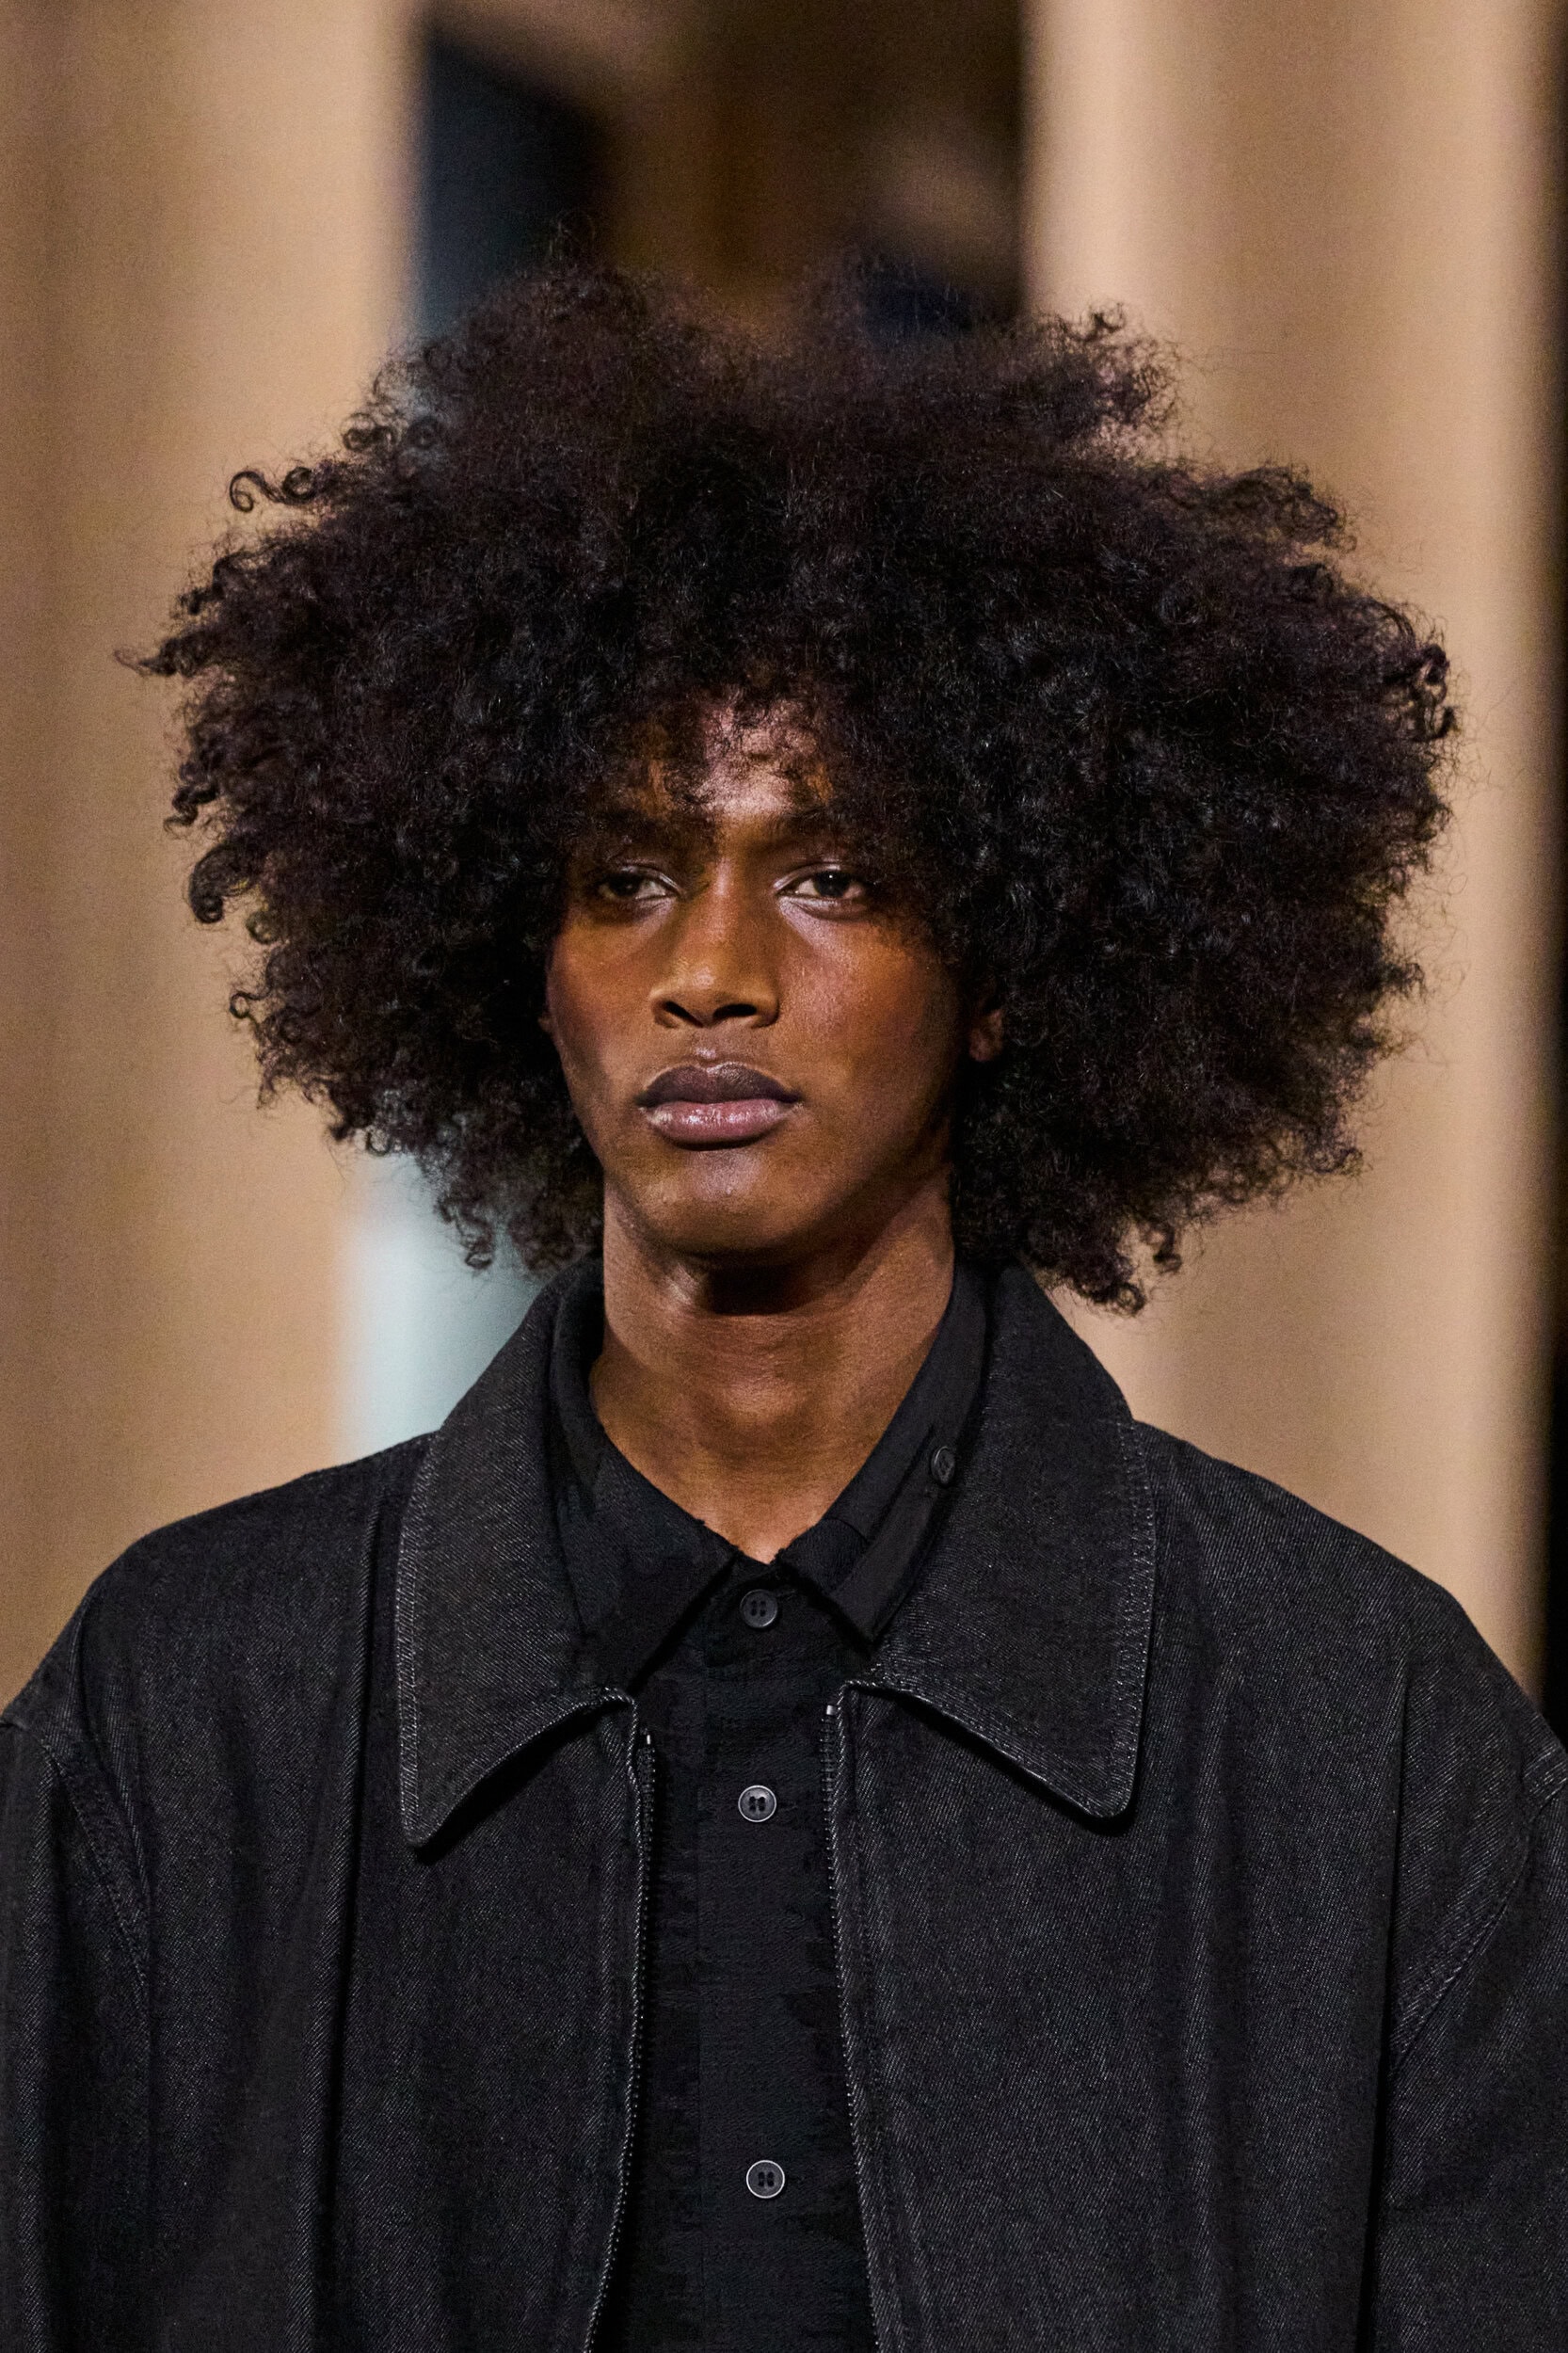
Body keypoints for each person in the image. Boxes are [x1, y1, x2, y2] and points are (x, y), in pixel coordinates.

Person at [2, 265, 1563, 2352]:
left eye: (832, 874)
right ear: (510, 954)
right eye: (626, 875)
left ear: (1006, 965)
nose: (710, 972)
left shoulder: (1359, 1731)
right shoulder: (184, 1709)